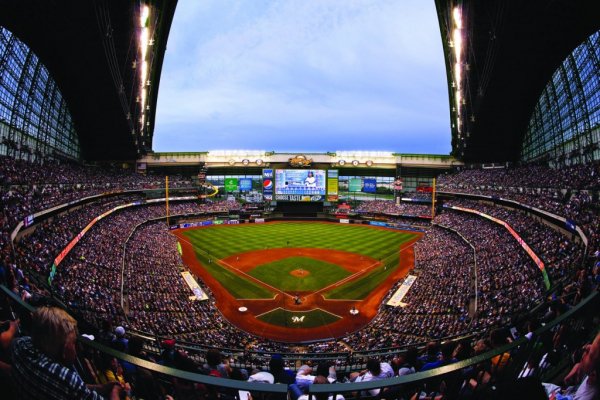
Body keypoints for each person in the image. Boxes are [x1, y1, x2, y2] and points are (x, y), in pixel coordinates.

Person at [11, 306, 122, 399]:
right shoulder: (67, 378)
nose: (77, 347)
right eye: (73, 343)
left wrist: (101, 388)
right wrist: (115, 391)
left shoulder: (20, 345)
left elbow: (71, 387)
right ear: (64, 351)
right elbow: (69, 385)